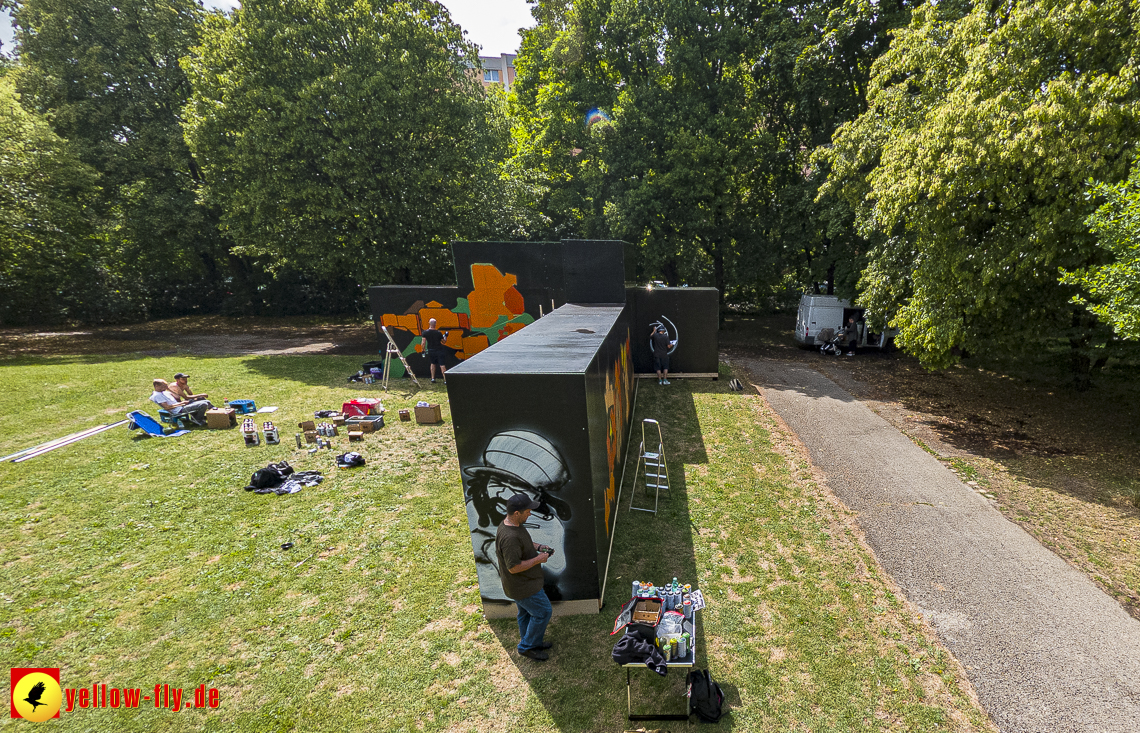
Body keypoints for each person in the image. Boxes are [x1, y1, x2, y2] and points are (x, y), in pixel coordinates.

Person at [495, 493, 554, 661]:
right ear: (516, 513)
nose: (530, 514)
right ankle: (526, 646)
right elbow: (513, 567)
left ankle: (532, 641)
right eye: (527, 511)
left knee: (526, 614)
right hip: (523, 587)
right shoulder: (510, 538)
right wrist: (538, 559)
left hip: (519, 586)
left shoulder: (513, 525)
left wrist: (539, 547)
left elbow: (525, 543)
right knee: (543, 612)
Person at [149, 378, 213, 427]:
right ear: (157, 386)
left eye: (166, 385)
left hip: (181, 406)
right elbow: (167, 407)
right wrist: (181, 403)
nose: (166, 387)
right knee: (203, 404)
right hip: (178, 410)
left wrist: (169, 390)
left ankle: (215, 414)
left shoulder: (164, 392)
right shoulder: (157, 395)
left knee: (205, 400)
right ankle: (198, 420)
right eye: (164, 386)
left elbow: (177, 397)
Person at [421, 318, 448, 383]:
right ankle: (445, 380)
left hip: (431, 350)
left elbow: (423, 343)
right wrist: (446, 336)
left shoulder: (425, 332)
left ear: (429, 323)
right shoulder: (438, 333)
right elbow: (443, 342)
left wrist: (423, 350)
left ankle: (433, 378)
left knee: (433, 364)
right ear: (435, 324)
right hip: (439, 350)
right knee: (442, 365)